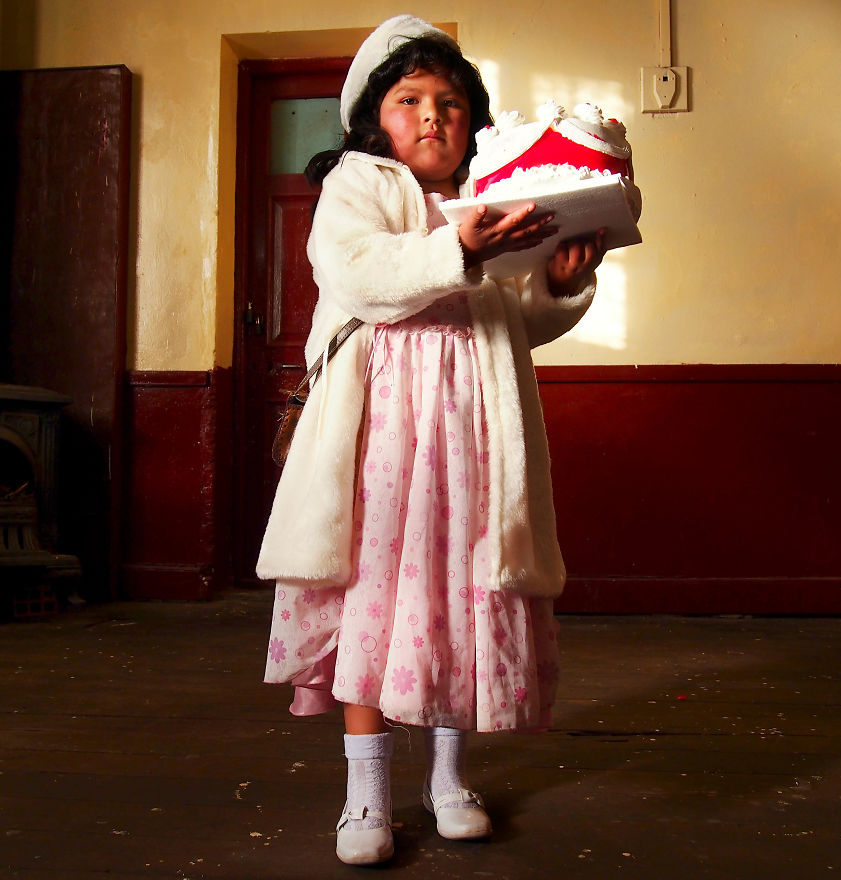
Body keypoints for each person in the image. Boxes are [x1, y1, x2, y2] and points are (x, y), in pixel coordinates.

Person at [257, 14, 607, 866]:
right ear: (377, 116)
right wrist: (456, 243)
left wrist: (561, 283)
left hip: (474, 437)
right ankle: (365, 795)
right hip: (381, 438)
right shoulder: (358, 188)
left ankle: (448, 779)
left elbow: (510, 323)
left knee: (463, 596)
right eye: (410, 99)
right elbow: (362, 277)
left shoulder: (491, 196)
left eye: (450, 102)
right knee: (375, 600)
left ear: (472, 121)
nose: (432, 116)